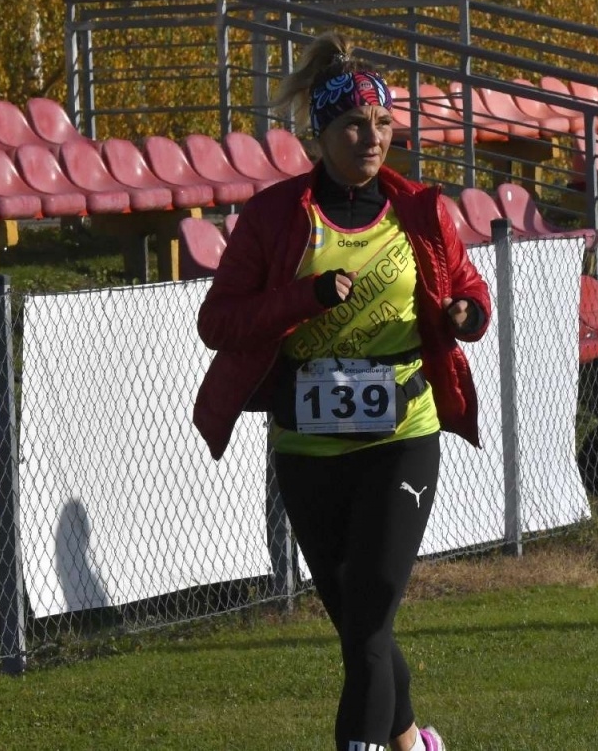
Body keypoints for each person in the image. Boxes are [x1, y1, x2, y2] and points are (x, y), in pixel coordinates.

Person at [194, 38, 491, 751]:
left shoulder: (422, 208)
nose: (373, 137)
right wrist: (304, 297)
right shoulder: (273, 216)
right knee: (362, 625)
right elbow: (218, 322)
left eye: (383, 124)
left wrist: (466, 316)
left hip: (402, 433)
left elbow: (471, 291)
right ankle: (413, 740)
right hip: (309, 441)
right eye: (356, 125)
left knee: (367, 620)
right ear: (320, 135)